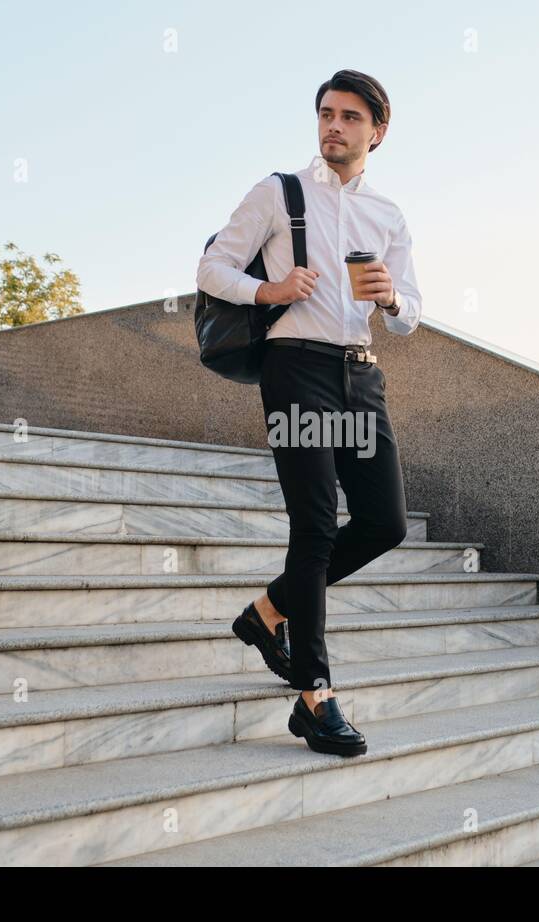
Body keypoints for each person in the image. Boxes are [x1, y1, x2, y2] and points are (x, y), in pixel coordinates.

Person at [196, 69, 422, 757]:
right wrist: (272, 288)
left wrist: (391, 301)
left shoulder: (387, 215)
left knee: (385, 522)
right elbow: (212, 270)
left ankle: (268, 611)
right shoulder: (278, 192)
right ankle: (313, 695)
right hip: (296, 368)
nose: (334, 126)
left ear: (376, 131)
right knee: (316, 525)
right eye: (327, 113)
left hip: (360, 374)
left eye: (351, 117)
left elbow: (412, 315)